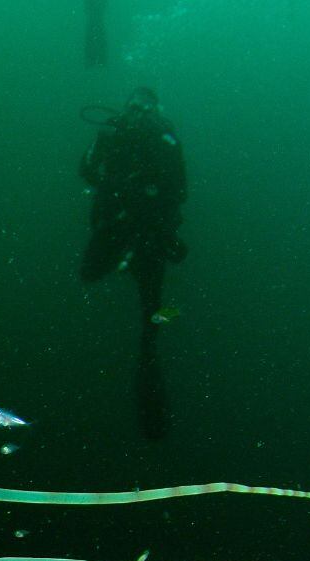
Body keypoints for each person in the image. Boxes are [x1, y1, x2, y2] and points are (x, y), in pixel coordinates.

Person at [78, 86, 187, 438]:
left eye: (146, 107)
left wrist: (144, 194)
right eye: (134, 106)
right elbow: (87, 171)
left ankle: (153, 366)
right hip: (117, 225)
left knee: (153, 315)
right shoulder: (113, 136)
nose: (139, 112)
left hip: (150, 234)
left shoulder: (164, 140)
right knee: (88, 273)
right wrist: (101, 153)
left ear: (156, 111)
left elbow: (179, 190)